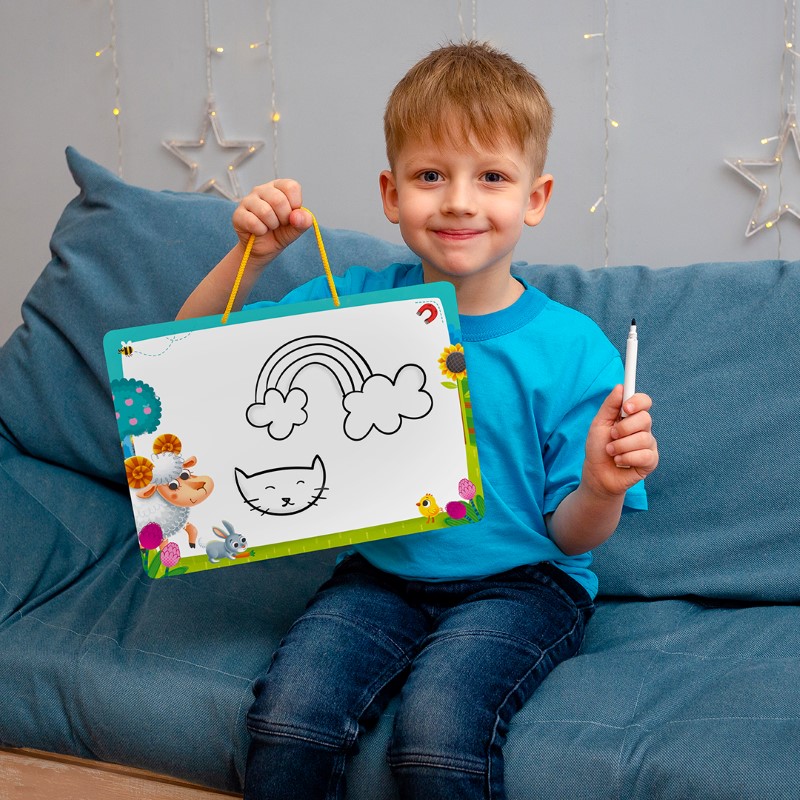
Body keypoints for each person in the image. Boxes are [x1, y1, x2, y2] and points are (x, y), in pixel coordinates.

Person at [178, 41, 659, 800]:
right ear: (391, 193)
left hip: (526, 584)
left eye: (492, 177)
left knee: (436, 738)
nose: (459, 201)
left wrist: (601, 487)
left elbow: (572, 538)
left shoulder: (573, 351)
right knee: (288, 721)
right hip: (382, 573)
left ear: (535, 198)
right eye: (431, 175)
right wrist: (251, 257)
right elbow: (186, 361)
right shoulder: (352, 306)